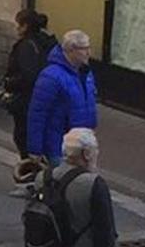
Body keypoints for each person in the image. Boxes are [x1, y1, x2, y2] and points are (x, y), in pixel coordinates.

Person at [27, 30, 98, 167]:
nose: (89, 53)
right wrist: (35, 149)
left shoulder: (86, 73)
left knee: (83, 184)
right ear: (71, 50)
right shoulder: (51, 76)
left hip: (84, 145)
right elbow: (37, 114)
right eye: (84, 49)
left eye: (89, 48)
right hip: (59, 147)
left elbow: (89, 103)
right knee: (63, 184)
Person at [4, 10, 58, 159]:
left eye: (18, 25)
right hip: (48, 97)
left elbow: (29, 76)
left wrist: (10, 83)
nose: (16, 29)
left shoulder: (26, 46)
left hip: (27, 100)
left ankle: (31, 172)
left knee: (24, 138)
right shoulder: (48, 43)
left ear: (25, 26)